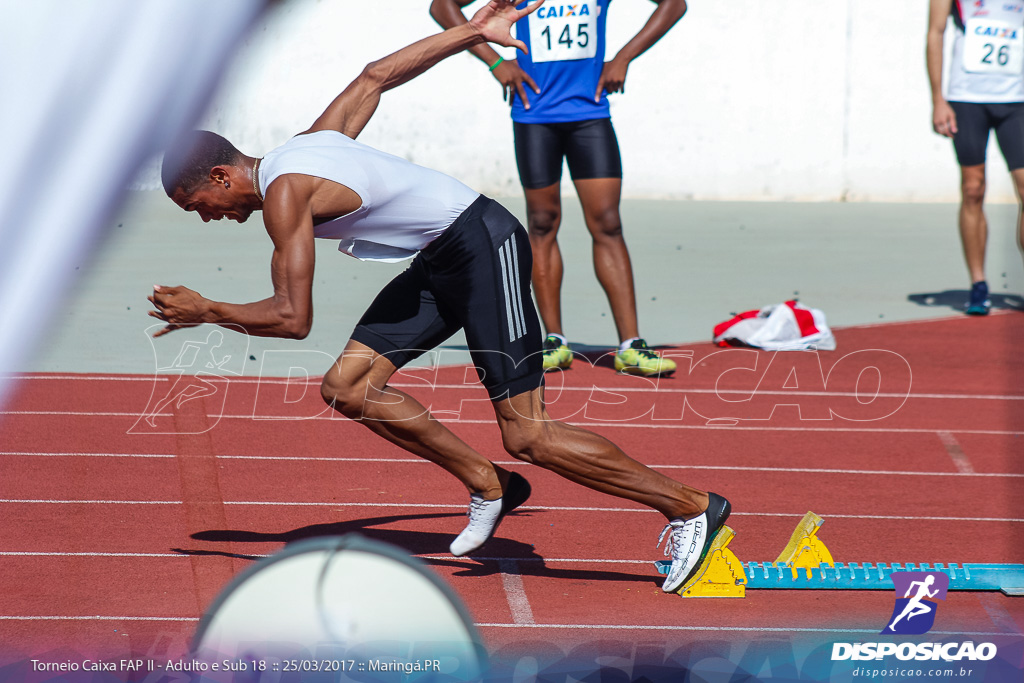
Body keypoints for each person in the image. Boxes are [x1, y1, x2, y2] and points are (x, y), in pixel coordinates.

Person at [152, 0, 728, 593]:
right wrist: (473, 30)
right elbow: (376, 76)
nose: (206, 219)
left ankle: (690, 507)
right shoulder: (301, 148)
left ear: (220, 178)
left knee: (529, 434)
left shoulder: (285, 193)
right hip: (441, 259)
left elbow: (292, 318)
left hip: (483, 246)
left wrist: (208, 311)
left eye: (198, 206)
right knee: (348, 388)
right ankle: (490, 484)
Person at [429, 0, 686, 374]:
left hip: (590, 114)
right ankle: (555, 340)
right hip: (534, 116)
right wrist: (497, 62)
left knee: (608, 223)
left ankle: (631, 345)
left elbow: (674, 5)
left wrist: (624, 57)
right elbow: (442, 7)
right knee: (543, 222)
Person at [928, 0, 1024, 315]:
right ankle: (978, 283)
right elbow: (935, 33)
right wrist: (938, 99)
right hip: (967, 98)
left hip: (1017, 99)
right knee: (973, 187)